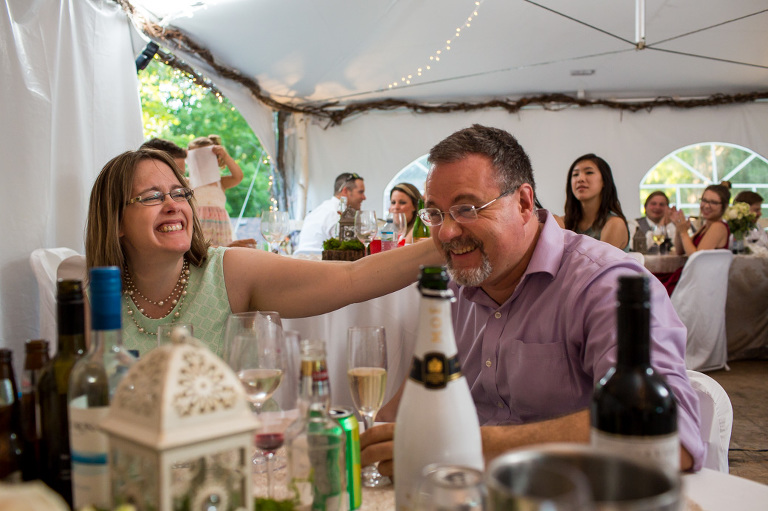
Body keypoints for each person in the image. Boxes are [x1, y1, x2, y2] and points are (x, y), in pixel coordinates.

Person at [360, 125, 704, 475]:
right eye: (435, 214)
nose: (446, 233)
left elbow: (672, 437)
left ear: (524, 202)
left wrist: (461, 447)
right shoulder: (454, 290)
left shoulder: (606, 285)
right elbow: (404, 410)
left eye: (467, 208)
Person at [84, 149, 441, 356]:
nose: (173, 205)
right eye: (151, 197)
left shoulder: (228, 272)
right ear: (115, 221)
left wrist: (445, 243)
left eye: (180, 193)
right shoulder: (93, 305)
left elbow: (353, 277)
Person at [655, 184, 732, 295]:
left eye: (713, 202)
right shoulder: (706, 226)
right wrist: (678, 226)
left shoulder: (718, 227)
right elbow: (680, 251)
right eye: (704, 200)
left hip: (698, 284)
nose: (706, 206)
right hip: (691, 278)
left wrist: (683, 232)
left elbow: (696, 258)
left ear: (724, 206)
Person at [563, 154, 630, 251]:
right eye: (575, 174)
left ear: (604, 181)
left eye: (589, 172)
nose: (580, 179)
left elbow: (597, 265)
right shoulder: (562, 222)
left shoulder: (615, 224)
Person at [187, 135, 243, 247]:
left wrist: (225, 156)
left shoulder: (220, 183)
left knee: (221, 259)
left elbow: (238, 176)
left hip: (221, 234)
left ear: (216, 160)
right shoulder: (188, 183)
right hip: (198, 235)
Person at [294, 172, 367, 254]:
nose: (364, 197)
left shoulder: (320, 210)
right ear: (345, 191)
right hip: (323, 263)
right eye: (360, 192)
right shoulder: (336, 214)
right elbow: (349, 248)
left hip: (304, 261)